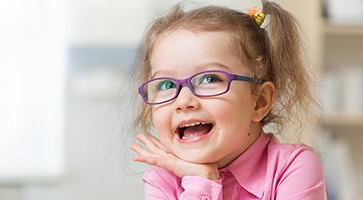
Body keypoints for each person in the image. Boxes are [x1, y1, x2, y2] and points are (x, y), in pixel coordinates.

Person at [130, 0, 326, 199]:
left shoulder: (293, 167)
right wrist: (202, 180)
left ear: (259, 102)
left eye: (209, 79)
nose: (183, 101)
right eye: (167, 85)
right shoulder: (162, 181)